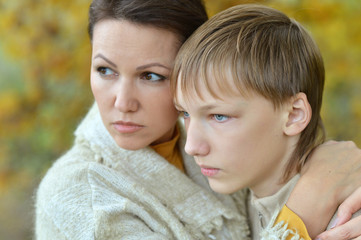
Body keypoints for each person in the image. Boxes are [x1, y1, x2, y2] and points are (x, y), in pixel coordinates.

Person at [35, 0, 361, 239]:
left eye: (151, 75)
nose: (121, 102)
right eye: (105, 70)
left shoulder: (229, 153)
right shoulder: (79, 195)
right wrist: (303, 211)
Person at [172, 3, 361, 239]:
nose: (192, 146)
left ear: (294, 115)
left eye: (219, 116)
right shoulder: (246, 202)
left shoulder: (345, 224)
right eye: (185, 113)